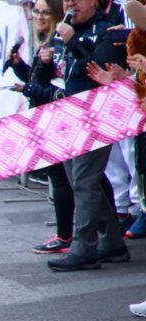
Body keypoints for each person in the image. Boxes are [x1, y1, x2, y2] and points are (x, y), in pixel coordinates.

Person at [45, 0, 130, 271]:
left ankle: (84, 248)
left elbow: (95, 67)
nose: (70, 3)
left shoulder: (106, 31)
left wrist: (72, 42)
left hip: (95, 116)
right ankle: (112, 244)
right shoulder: (64, 31)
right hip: (68, 116)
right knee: (80, 181)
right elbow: (59, 74)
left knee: (84, 181)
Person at [10, 0, 76, 253]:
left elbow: (54, 91)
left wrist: (27, 87)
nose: (38, 16)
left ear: (57, 14)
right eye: (36, 11)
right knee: (69, 177)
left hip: (55, 119)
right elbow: (37, 80)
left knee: (62, 178)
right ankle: (76, 232)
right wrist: (18, 66)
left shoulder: (57, 45)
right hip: (45, 116)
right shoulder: (47, 43)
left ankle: (65, 236)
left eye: (45, 12)